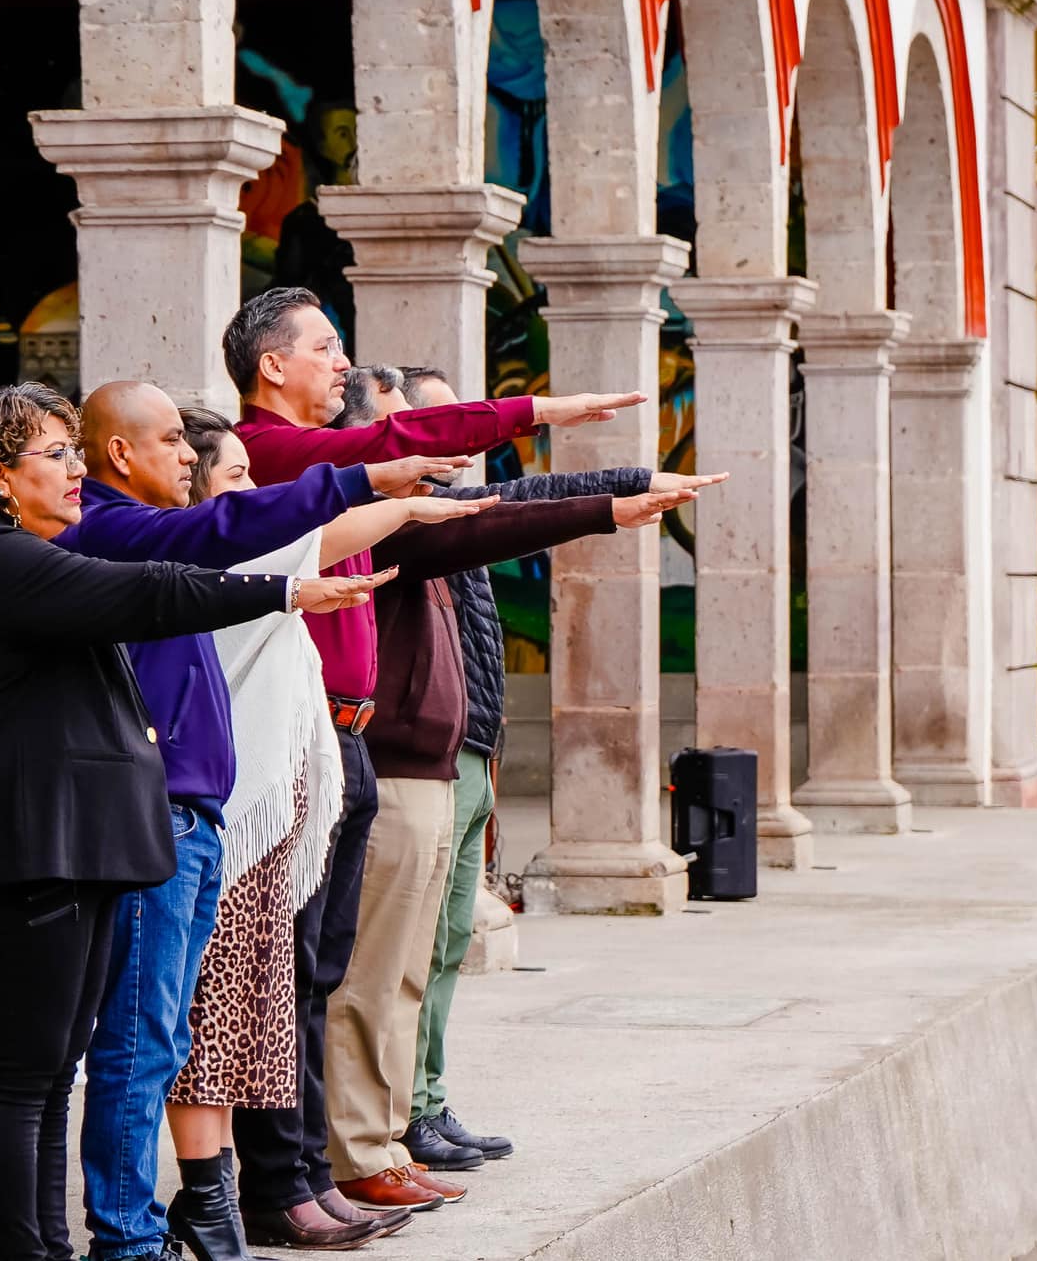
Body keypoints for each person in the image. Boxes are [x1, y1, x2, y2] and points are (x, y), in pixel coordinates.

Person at [0, 383, 386, 1261]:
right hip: (31, 850)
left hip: (76, 848)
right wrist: (284, 590)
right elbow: (158, 595)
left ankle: (52, 1249)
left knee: (59, 1072)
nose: (74, 472)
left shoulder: (33, 558)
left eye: (72, 450)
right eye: (54, 455)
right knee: (24, 1077)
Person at [223, 286, 645, 1239]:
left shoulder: (340, 466)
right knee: (322, 977)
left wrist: (603, 496)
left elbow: (476, 506)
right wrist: (549, 417)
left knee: (354, 968)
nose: (339, 362)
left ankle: (342, 1158)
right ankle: (324, 1167)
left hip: (372, 744)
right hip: (331, 743)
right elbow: (464, 502)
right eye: (325, 348)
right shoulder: (283, 455)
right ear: (271, 366)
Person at [52, 379, 476, 1261]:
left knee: (207, 1023)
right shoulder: (122, 531)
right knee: (149, 1038)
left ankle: (224, 1201)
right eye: (183, 448)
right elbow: (251, 542)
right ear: (124, 452)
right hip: (180, 817)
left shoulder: (161, 541)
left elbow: (277, 552)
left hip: (218, 815)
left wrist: (396, 510)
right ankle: (148, 1228)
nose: (220, 479)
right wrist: (372, 481)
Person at [321, 372, 707, 1205]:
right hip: (391, 762)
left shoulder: (425, 508)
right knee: (372, 975)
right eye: (413, 433)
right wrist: (613, 497)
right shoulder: (387, 518)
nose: (437, 451)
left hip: (450, 755)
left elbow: (514, 501)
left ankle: (393, 1135)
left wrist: (626, 487)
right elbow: (511, 511)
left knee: (419, 963)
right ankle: (365, 1148)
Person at [170, 409, 497, 1253]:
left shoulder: (254, 545)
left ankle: (301, 1176)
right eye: (233, 475)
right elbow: (326, 516)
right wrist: (403, 496)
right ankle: (250, 1190)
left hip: (313, 771)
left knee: (305, 983)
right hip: (242, 801)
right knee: (226, 1012)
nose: (252, 487)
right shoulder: (221, 545)